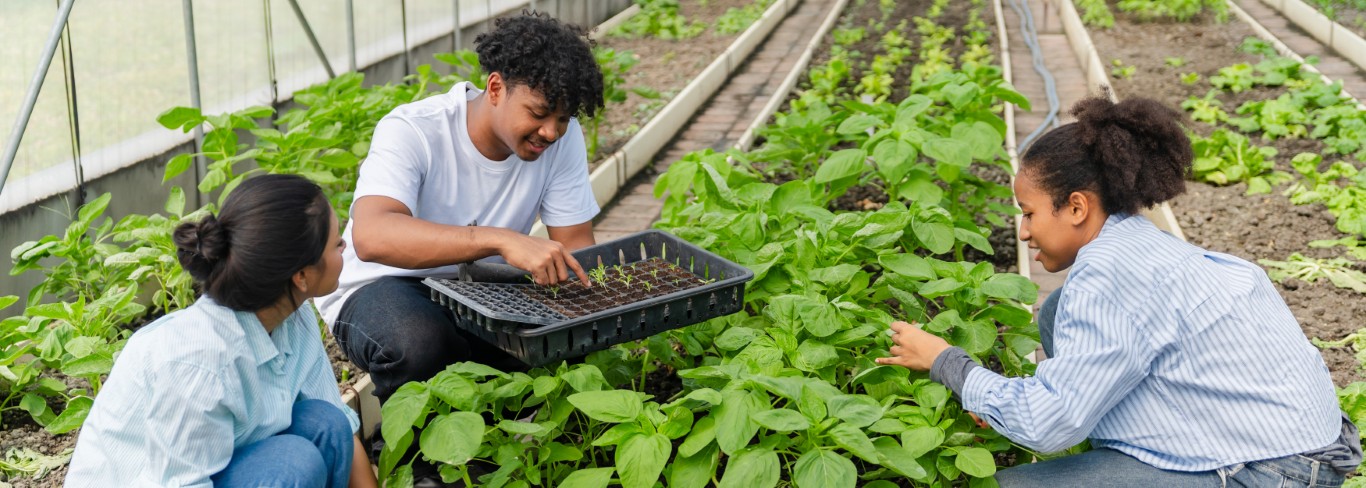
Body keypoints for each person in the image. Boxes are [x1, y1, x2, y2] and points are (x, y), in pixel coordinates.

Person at [877, 96, 1361, 487]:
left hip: (1275, 471)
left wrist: (947, 362)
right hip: (1297, 436)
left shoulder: (1110, 277)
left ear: (1076, 207)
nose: (1023, 232)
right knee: (1057, 311)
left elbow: (1046, 425)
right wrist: (1009, 401)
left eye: (1028, 213)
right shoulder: (1140, 243)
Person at [315, 11, 605, 401]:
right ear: (496, 87)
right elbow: (373, 236)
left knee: (545, 344)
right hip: (382, 284)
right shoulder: (415, 129)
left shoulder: (560, 142)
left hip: (479, 288)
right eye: (538, 113)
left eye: (563, 119)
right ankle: (415, 458)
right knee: (421, 343)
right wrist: (499, 240)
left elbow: (576, 246)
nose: (551, 131)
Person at [65, 174, 377, 487]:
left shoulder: (293, 317)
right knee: (292, 463)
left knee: (326, 424)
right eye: (336, 243)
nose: (344, 246)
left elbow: (340, 426)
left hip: (215, 467)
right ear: (301, 276)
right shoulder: (200, 363)